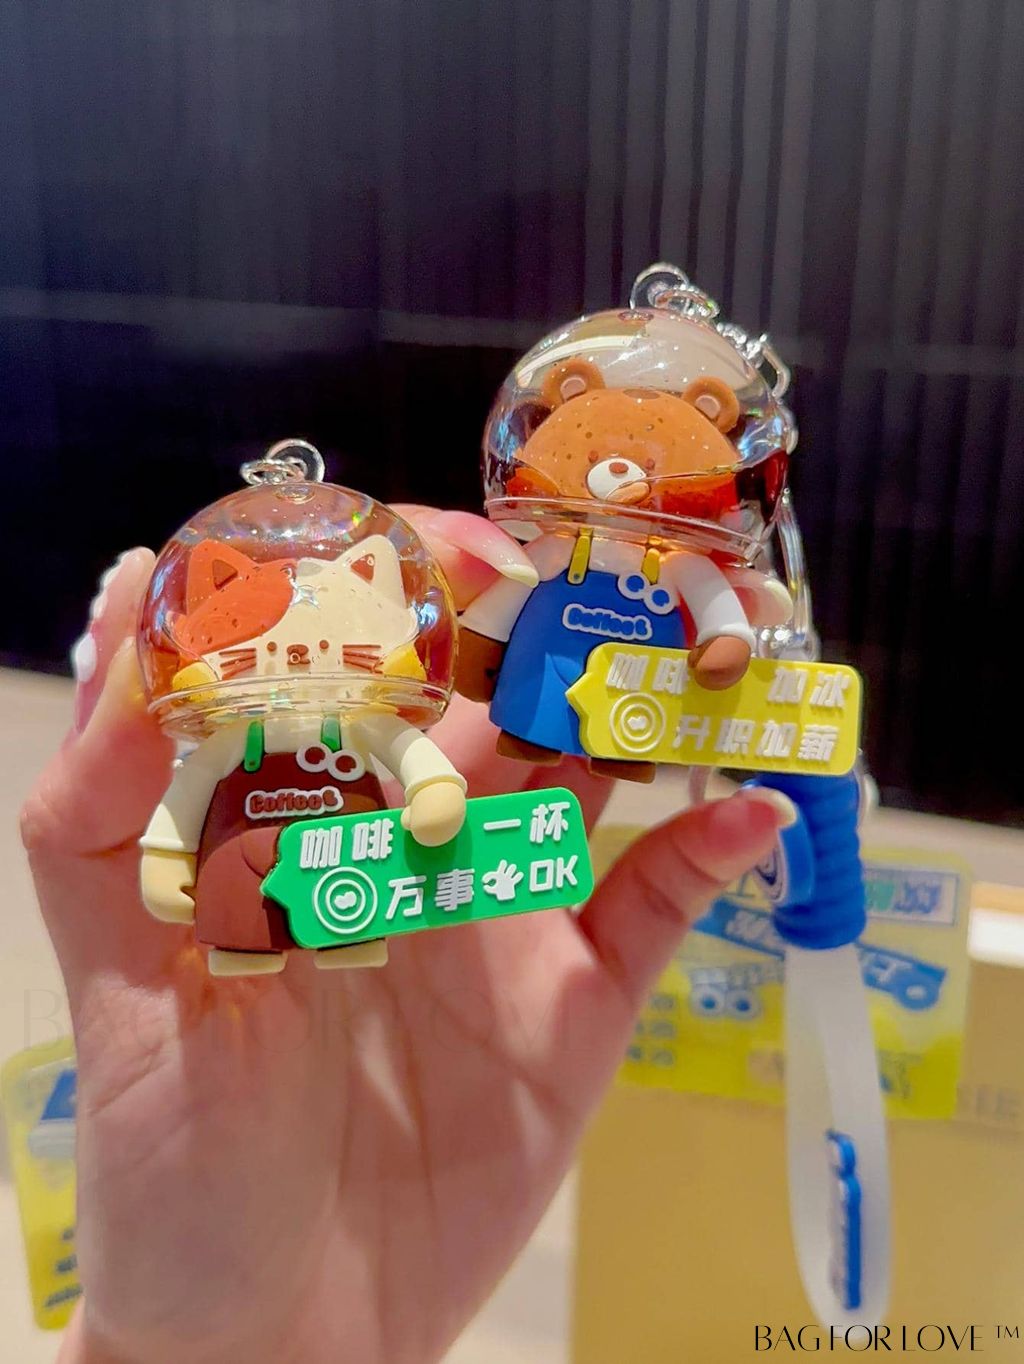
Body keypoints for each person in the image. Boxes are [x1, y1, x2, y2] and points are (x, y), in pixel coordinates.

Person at [21, 505, 794, 1364]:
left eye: (328, 642)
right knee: (242, 908)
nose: (299, 658)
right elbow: (185, 801)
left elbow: (418, 761)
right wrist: (170, 860)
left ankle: (343, 932)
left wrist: (432, 794)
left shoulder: (368, 723)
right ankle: (257, 937)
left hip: (358, 850)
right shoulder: (229, 742)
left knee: (345, 915)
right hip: (242, 854)